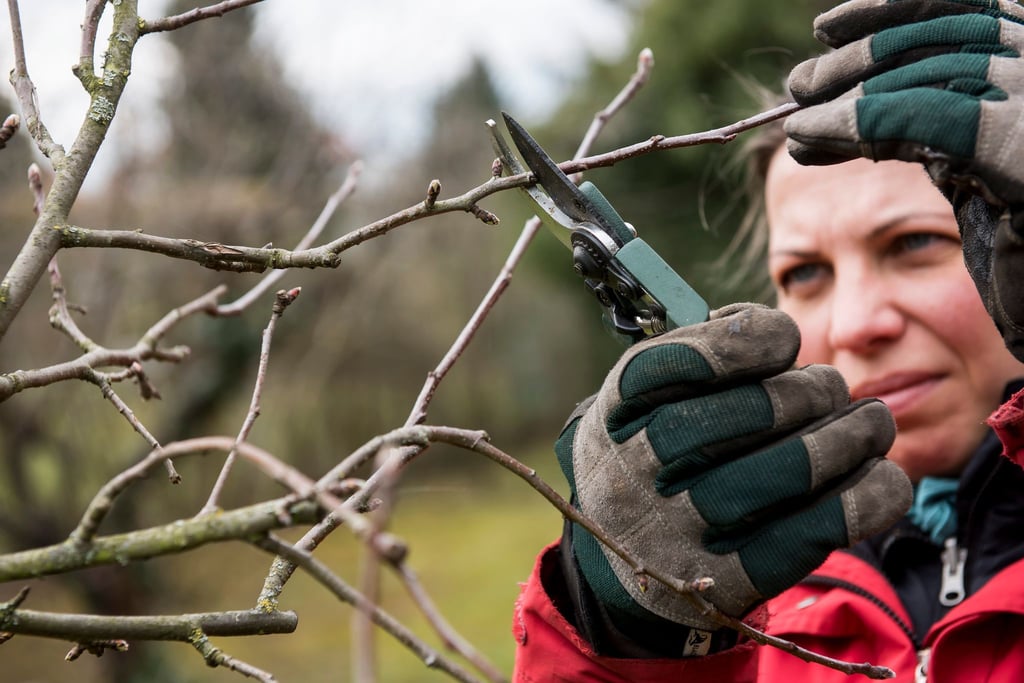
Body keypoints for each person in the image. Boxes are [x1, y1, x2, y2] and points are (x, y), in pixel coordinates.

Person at [512, 1, 1024, 681]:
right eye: (805, 272)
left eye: (914, 243)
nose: (853, 324)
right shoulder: (748, 625)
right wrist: (626, 640)